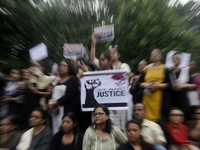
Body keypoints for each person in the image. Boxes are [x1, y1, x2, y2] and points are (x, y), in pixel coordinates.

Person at [137, 48, 172, 123]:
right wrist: (146, 85)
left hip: (161, 99)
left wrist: (158, 86)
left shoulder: (166, 69)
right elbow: (139, 83)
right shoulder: (146, 69)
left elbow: (172, 84)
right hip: (147, 97)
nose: (154, 55)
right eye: (152, 54)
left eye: (157, 53)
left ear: (161, 56)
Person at [48, 59, 80, 134]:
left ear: (69, 68)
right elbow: (51, 94)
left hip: (66, 110)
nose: (61, 67)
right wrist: (50, 104)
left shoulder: (73, 79)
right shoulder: (56, 80)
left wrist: (55, 103)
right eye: (60, 65)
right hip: (55, 111)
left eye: (64, 65)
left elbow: (69, 95)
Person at [169, 52, 196, 120]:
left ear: (181, 60)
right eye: (173, 58)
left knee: (184, 117)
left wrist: (183, 86)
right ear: (172, 60)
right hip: (171, 98)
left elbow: (193, 85)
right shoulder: (169, 72)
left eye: (177, 58)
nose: (175, 59)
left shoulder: (185, 71)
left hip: (183, 98)